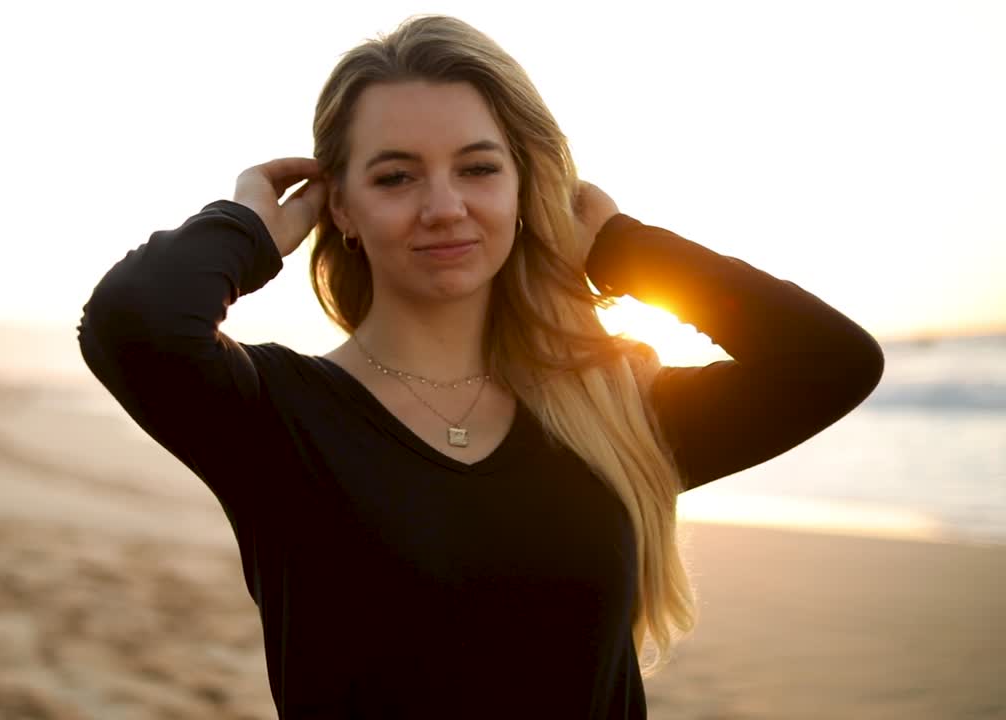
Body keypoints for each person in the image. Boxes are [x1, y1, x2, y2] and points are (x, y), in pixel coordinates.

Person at [77, 14, 884, 719]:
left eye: (478, 167)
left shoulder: (615, 410)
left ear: (526, 183)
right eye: (395, 176)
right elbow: (132, 323)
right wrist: (247, 224)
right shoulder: (275, 420)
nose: (444, 206)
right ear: (343, 209)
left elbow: (830, 363)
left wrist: (621, 246)